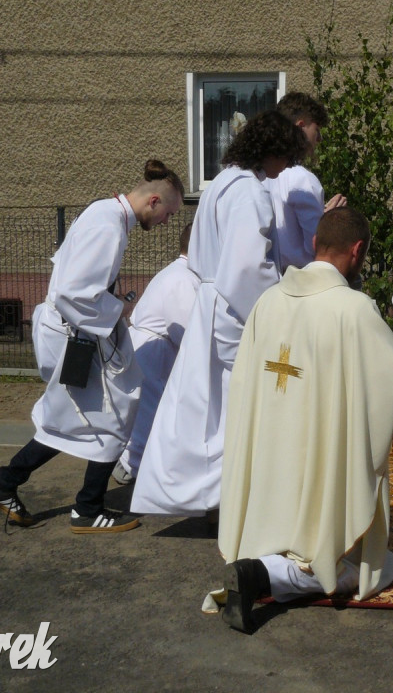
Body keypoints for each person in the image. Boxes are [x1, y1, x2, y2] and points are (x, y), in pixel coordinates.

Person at [217, 207, 393, 634]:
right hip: (319, 454)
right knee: (374, 567)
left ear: (314, 244)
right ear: (358, 251)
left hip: (270, 451)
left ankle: (262, 558)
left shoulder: (267, 302)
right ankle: (267, 574)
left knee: (280, 518)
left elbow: (245, 383)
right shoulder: (353, 308)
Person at [0, 160, 183, 533]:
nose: (167, 221)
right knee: (117, 412)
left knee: (75, 418)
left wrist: (110, 305)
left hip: (74, 332)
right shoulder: (110, 227)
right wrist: (119, 308)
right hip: (77, 335)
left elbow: (67, 273)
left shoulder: (103, 212)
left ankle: (5, 483)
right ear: (154, 201)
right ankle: (86, 508)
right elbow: (75, 292)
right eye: (168, 213)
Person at [130, 111, 308, 517]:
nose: (288, 170)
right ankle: (231, 499)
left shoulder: (220, 183)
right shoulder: (248, 191)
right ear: (272, 152)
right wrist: (280, 309)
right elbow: (247, 267)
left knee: (204, 409)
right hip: (235, 308)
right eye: (288, 159)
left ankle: (215, 498)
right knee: (236, 407)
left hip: (212, 303)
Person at [112, 222, 199, 484]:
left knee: (143, 413)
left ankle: (131, 465)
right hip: (155, 353)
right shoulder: (183, 279)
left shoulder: (179, 272)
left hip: (149, 347)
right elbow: (187, 332)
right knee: (147, 414)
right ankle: (129, 467)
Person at [264, 92, 346, 273]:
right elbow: (316, 245)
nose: (319, 139)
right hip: (300, 278)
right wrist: (328, 220)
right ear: (301, 126)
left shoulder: (263, 174)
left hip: (270, 277)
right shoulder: (303, 179)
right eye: (317, 130)